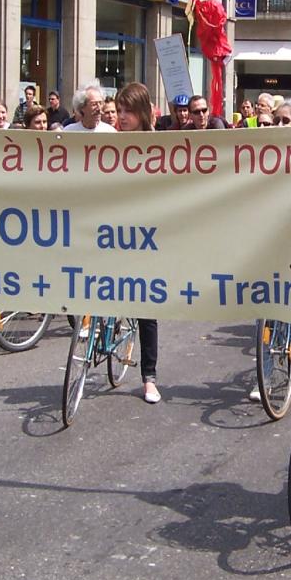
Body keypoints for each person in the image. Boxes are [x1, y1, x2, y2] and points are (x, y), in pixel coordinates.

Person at [112, 82, 163, 404]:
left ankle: (149, 377)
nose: (121, 117)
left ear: (142, 112)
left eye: (127, 111)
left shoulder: (158, 146)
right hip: (112, 232)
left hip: (146, 235)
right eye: (118, 111)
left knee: (146, 308)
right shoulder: (109, 145)